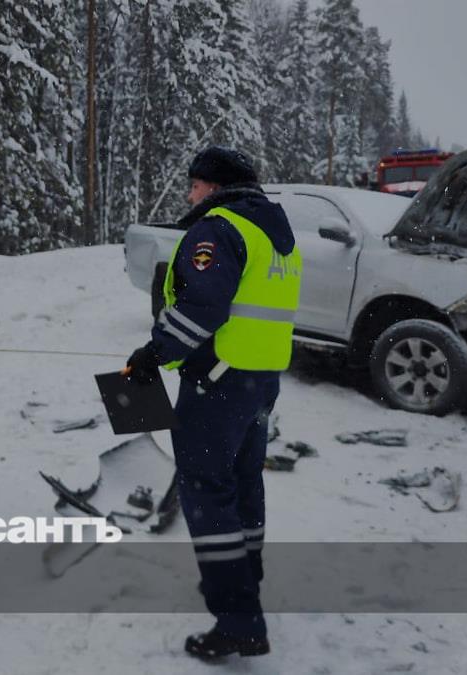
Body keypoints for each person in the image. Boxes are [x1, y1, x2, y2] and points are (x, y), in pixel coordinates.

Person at [124, 146, 301, 660]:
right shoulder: (275, 233)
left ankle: (238, 620)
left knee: (207, 492)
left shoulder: (218, 228)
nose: (189, 193)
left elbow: (202, 306)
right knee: (244, 483)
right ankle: (245, 577)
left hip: (216, 381)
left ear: (213, 186)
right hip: (259, 380)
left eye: (194, 184)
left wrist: (154, 353)